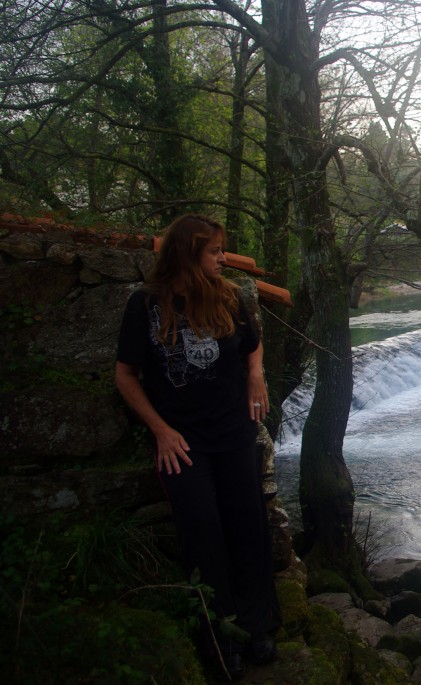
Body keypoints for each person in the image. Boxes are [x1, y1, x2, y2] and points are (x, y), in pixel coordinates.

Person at [115, 214, 280, 680]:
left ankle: (256, 625)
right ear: (187, 254)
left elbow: (253, 344)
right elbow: (125, 376)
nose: (223, 258)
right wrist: (160, 431)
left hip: (233, 433)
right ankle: (218, 635)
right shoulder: (145, 306)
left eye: (222, 251)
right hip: (182, 443)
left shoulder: (227, 295)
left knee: (248, 526)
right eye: (214, 252)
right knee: (201, 530)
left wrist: (254, 374)